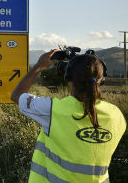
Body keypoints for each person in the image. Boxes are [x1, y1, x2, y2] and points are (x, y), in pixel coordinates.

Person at [11, 49, 126, 183]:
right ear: (101, 80)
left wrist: (39, 66)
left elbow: (16, 95)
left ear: (68, 79)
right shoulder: (116, 115)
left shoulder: (53, 110)